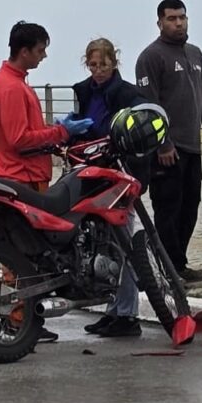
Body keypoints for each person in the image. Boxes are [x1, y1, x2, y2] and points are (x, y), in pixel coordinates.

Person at [0, 21, 93, 344]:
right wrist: (62, 132)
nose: (44, 55)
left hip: (20, 174)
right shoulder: (12, 88)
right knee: (25, 256)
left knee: (23, 255)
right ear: (24, 50)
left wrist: (54, 135)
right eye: (41, 49)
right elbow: (20, 139)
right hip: (23, 178)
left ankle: (25, 319)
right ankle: (19, 321)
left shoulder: (11, 82)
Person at [134, 0, 202, 285]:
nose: (178, 23)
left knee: (190, 206)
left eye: (182, 18)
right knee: (168, 209)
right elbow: (149, 105)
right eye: (172, 18)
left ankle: (178, 262)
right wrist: (163, 144)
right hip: (166, 150)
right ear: (159, 22)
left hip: (192, 147)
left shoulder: (195, 54)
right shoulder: (150, 57)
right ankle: (168, 267)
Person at [70, 38, 146, 339]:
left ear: (114, 63)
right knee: (105, 243)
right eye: (92, 65)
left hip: (118, 170)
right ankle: (114, 310)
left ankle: (128, 313)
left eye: (102, 65)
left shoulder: (126, 92)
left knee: (125, 242)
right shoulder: (85, 91)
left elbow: (139, 120)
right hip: (92, 169)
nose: (97, 70)